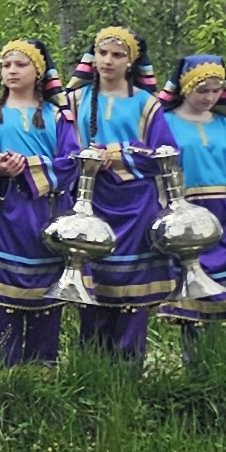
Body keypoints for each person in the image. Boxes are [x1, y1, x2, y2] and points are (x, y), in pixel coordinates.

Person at [0, 41, 75, 366]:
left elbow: (72, 161)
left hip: (46, 217)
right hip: (1, 216)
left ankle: (43, 371)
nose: (11, 71)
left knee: (47, 296)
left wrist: (31, 167)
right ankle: (2, 372)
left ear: (38, 71)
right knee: (1, 299)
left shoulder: (59, 116)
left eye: (20, 64)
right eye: (6, 65)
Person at [61, 27, 175, 358]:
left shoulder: (147, 105)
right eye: (103, 53)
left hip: (135, 206)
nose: (108, 61)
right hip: (88, 201)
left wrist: (119, 153)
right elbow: (63, 147)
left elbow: (165, 154)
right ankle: (91, 367)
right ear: (93, 58)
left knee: (132, 292)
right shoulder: (75, 100)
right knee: (91, 283)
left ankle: (129, 370)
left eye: (117, 55)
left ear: (130, 62)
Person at [156, 57, 226, 343]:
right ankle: (197, 363)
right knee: (193, 294)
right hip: (189, 218)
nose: (209, 97)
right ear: (185, 88)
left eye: (216, 91)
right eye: (202, 90)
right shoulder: (163, 124)